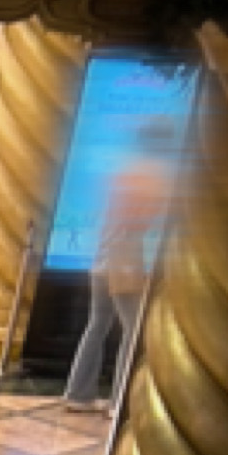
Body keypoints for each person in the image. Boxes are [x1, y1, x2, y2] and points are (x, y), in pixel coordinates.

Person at [65, 146, 166, 411]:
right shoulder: (141, 187)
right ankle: (119, 400)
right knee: (132, 330)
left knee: (97, 325)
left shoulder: (117, 188)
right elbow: (142, 224)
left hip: (100, 262)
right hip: (123, 263)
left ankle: (78, 394)